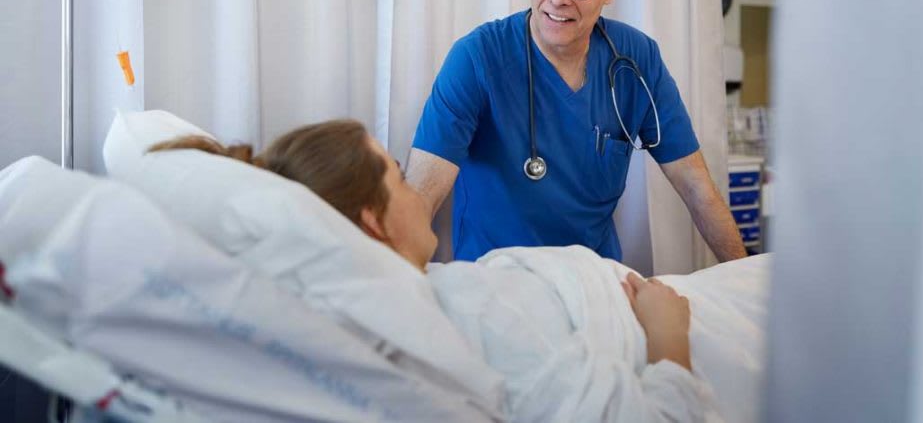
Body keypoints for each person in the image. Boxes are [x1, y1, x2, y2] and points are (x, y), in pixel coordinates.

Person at [149, 120, 695, 377]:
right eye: (400, 176)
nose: (420, 193)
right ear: (373, 221)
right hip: (655, 316)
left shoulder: (425, 298)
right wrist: (667, 333)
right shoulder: (467, 325)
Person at [407, 0, 746, 263]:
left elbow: (697, 187)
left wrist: (744, 282)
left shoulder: (635, 59)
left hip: (595, 283)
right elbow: (420, 198)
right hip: (495, 284)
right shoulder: (478, 58)